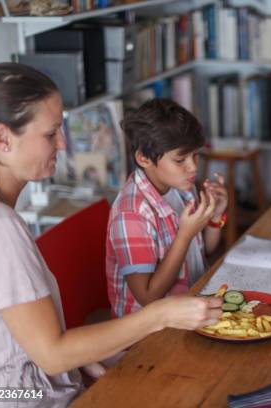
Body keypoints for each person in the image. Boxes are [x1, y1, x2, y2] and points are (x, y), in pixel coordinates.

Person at [0, 62, 222, 407]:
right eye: (50, 133)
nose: (63, 143)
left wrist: (72, 356)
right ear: (2, 139)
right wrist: (161, 315)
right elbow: (52, 356)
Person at [106, 98, 228, 317]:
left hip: (191, 307)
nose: (192, 167)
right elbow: (148, 297)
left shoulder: (182, 188)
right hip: (148, 337)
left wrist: (216, 215)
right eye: (180, 160)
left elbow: (205, 251)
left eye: (195, 155)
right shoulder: (131, 214)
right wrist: (184, 235)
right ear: (143, 159)